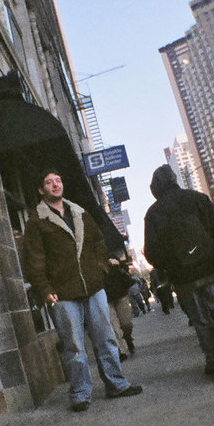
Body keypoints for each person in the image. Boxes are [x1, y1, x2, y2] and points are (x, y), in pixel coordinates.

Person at [21, 168, 142, 412]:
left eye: (58, 180)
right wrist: (44, 288)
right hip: (63, 294)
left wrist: (99, 268)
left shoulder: (80, 212)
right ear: (41, 190)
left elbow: (99, 242)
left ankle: (116, 384)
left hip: (94, 286)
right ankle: (80, 393)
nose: (56, 185)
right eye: (49, 182)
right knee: (74, 346)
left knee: (106, 338)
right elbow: (34, 259)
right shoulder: (37, 221)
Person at [143, 164, 214, 377]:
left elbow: (151, 252)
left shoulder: (153, 213)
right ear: (175, 179)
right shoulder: (198, 198)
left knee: (200, 320)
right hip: (211, 266)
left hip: (184, 277)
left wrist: (170, 267)